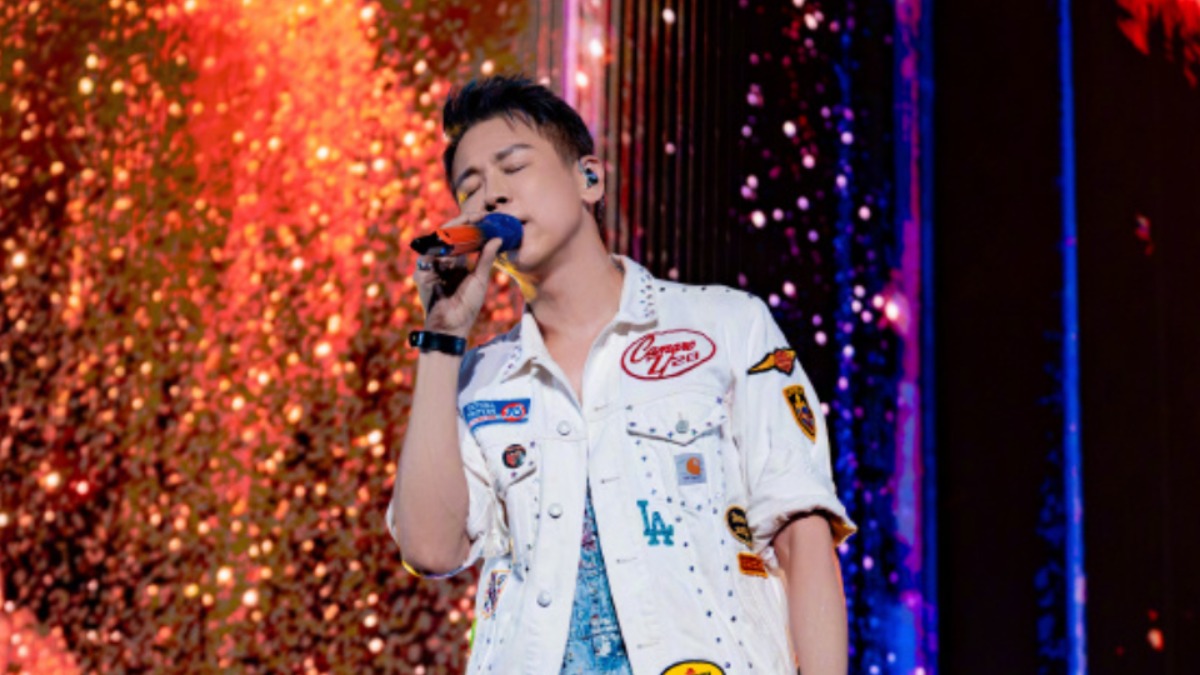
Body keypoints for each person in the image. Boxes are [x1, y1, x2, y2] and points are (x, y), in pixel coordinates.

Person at [387, 75, 856, 675]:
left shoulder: (727, 324)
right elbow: (430, 549)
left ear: (590, 178)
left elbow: (802, 533)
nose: (492, 196)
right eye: (470, 188)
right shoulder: (477, 378)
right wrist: (442, 338)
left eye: (513, 167)